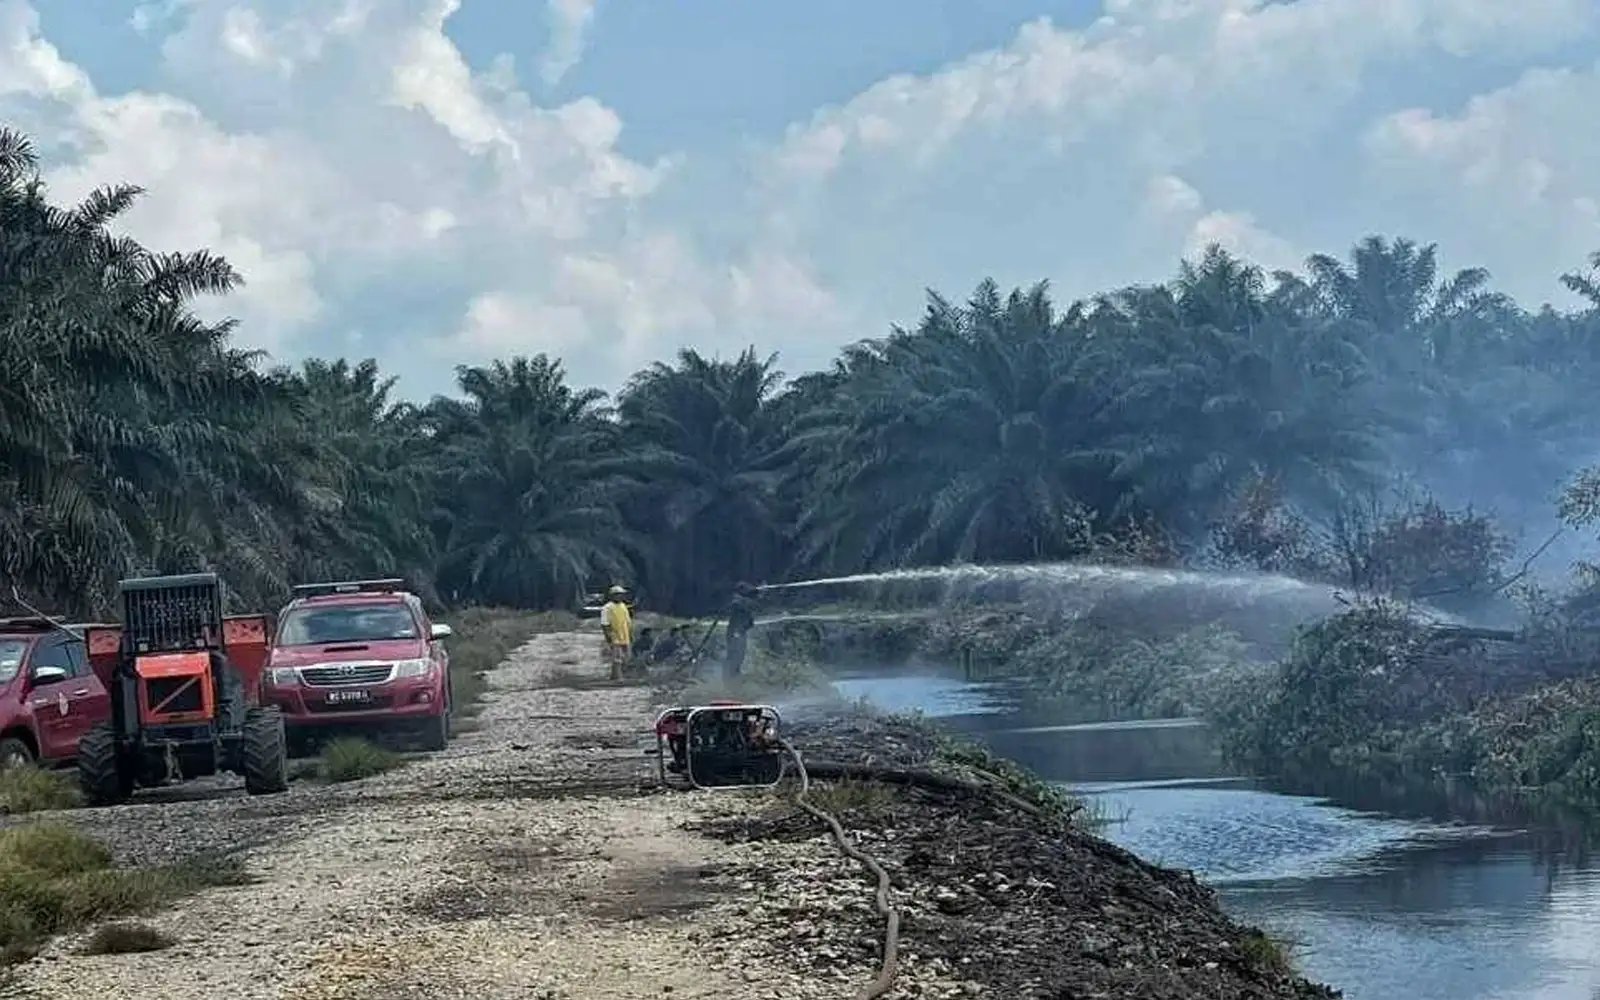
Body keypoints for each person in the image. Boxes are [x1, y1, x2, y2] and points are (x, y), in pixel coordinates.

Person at [599, 585, 633, 680]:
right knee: (617, 657)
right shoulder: (607, 607)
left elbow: (628, 621)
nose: (621, 596)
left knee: (626, 657)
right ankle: (619, 677)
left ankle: (614, 676)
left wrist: (630, 634)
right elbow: (604, 623)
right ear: (613, 596)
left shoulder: (623, 606)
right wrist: (608, 636)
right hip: (615, 635)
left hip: (625, 635)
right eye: (618, 595)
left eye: (621, 595)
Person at [724, 582, 756, 680]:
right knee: (733, 655)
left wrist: (744, 628)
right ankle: (730, 676)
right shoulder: (737, 603)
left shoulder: (746, 605)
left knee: (740, 656)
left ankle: (734, 675)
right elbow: (733, 606)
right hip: (734, 633)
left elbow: (750, 622)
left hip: (741, 633)